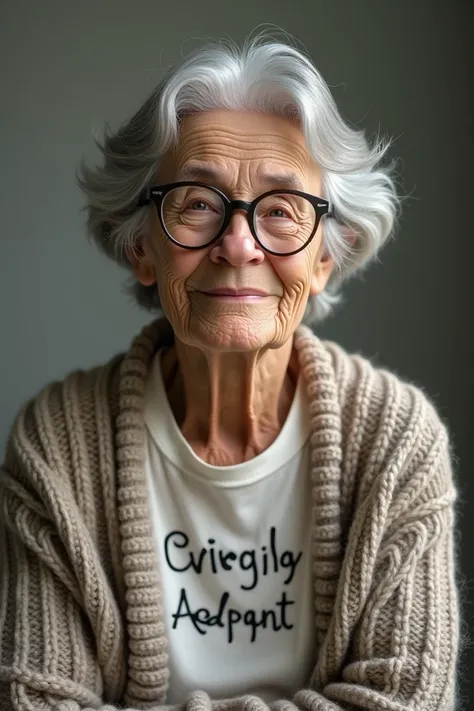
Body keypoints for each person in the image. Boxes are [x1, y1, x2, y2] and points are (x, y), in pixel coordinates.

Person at [0, 35, 459, 711]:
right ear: (141, 247)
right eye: (196, 203)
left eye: (280, 211)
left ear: (326, 257)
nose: (238, 244)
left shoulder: (396, 441)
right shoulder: (59, 446)